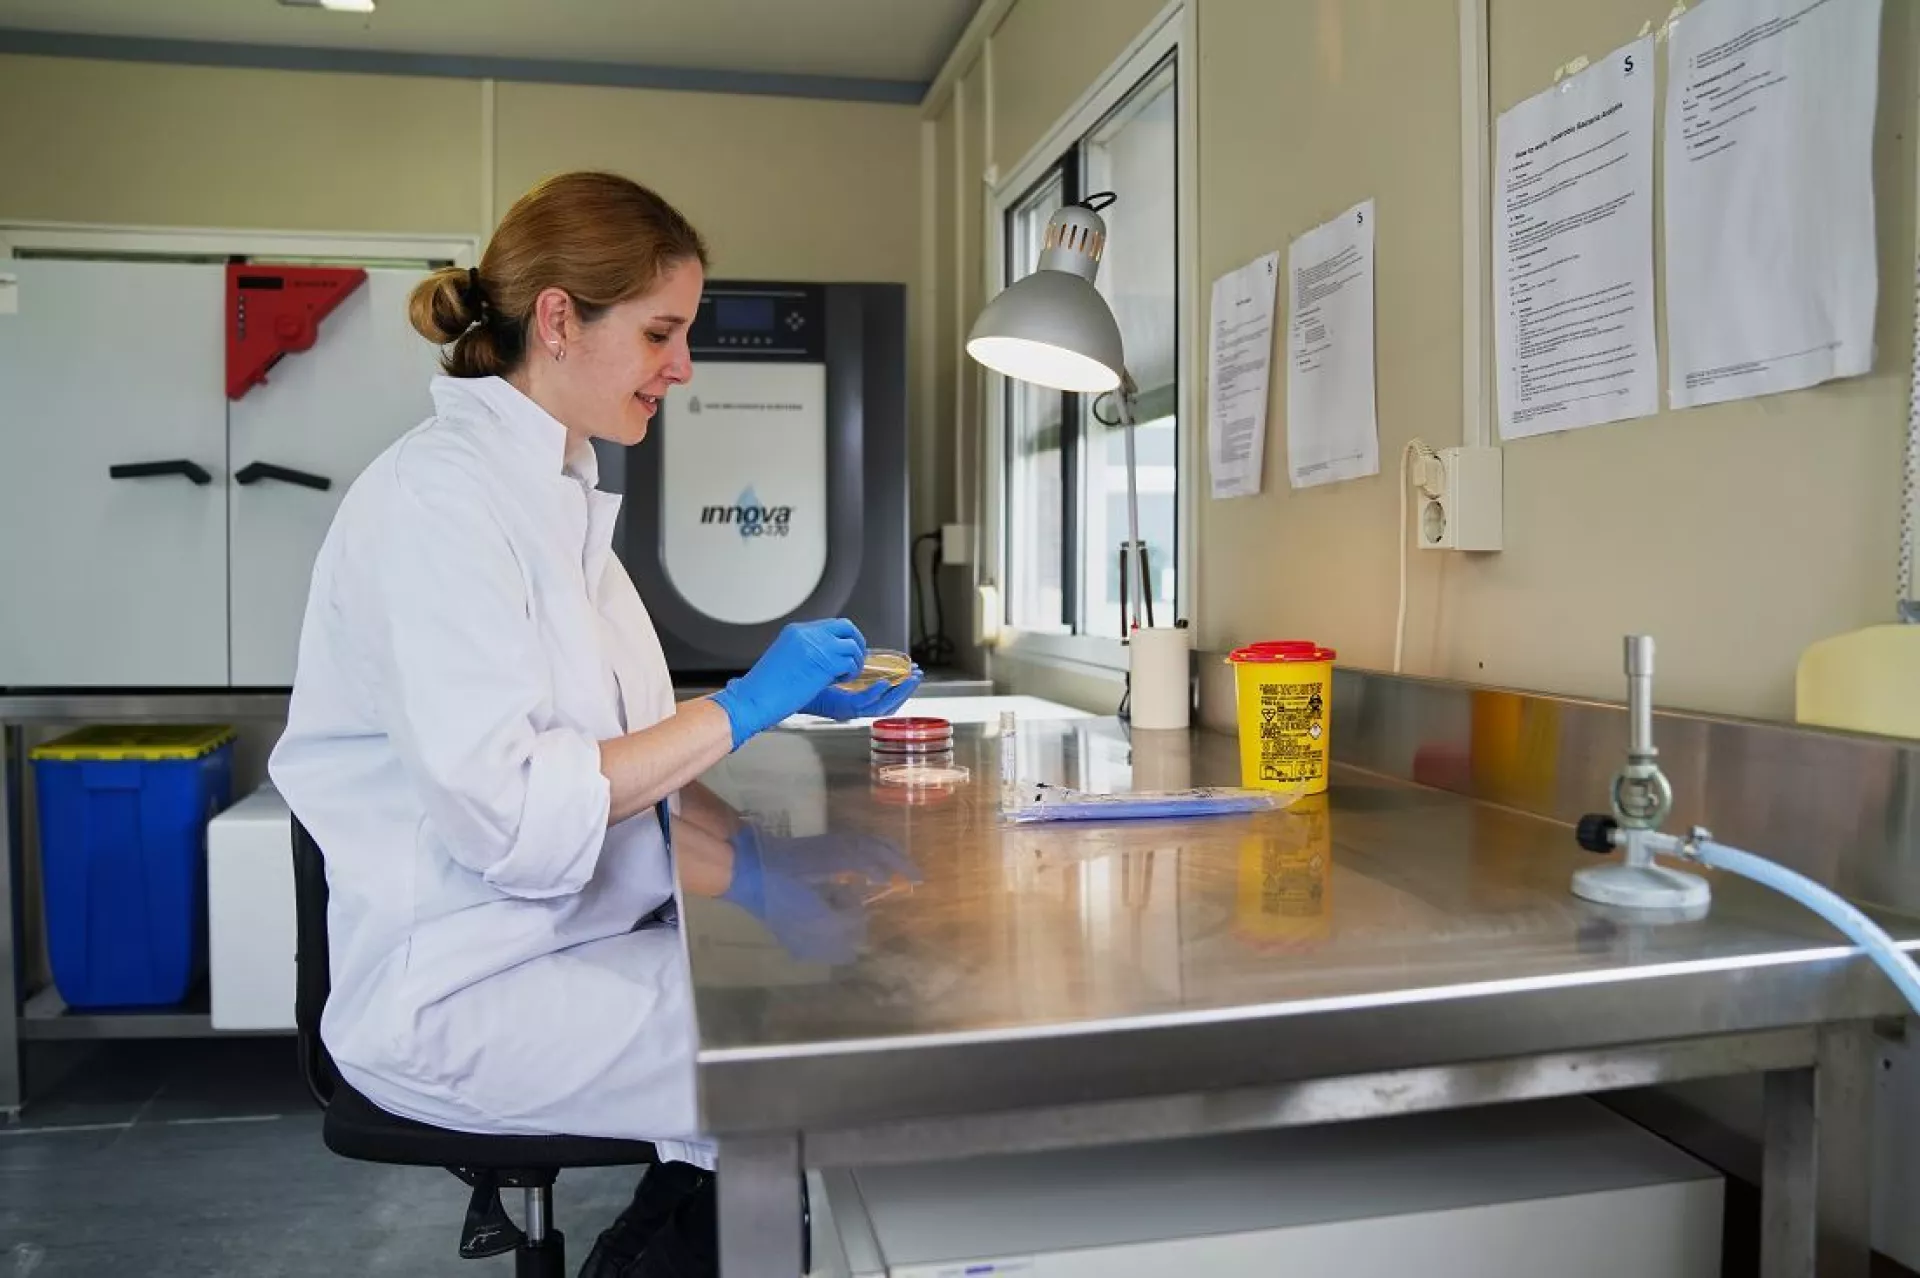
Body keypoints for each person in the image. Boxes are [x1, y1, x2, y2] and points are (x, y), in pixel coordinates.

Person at [269, 170, 920, 1277]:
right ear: (561, 319)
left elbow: (626, 755)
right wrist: (743, 703)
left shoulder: (562, 495)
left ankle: (662, 1244)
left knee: (807, 1006)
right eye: (662, 331)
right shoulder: (437, 503)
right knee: (806, 1056)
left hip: (557, 944)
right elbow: (520, 812)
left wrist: (768, 862)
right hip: (459, 989)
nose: (685, 366)